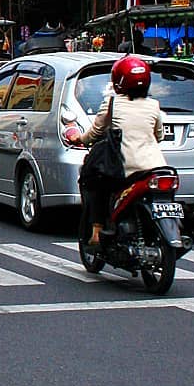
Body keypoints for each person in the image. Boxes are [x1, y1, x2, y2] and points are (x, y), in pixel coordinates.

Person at [67, 55, 166, 246]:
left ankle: (97, 231)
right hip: (155, 166)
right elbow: (159, 136)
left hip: (124, 168)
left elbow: (94, 133)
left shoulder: (112, 103)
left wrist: (78, 138)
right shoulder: (154, 105)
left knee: (94, 180)